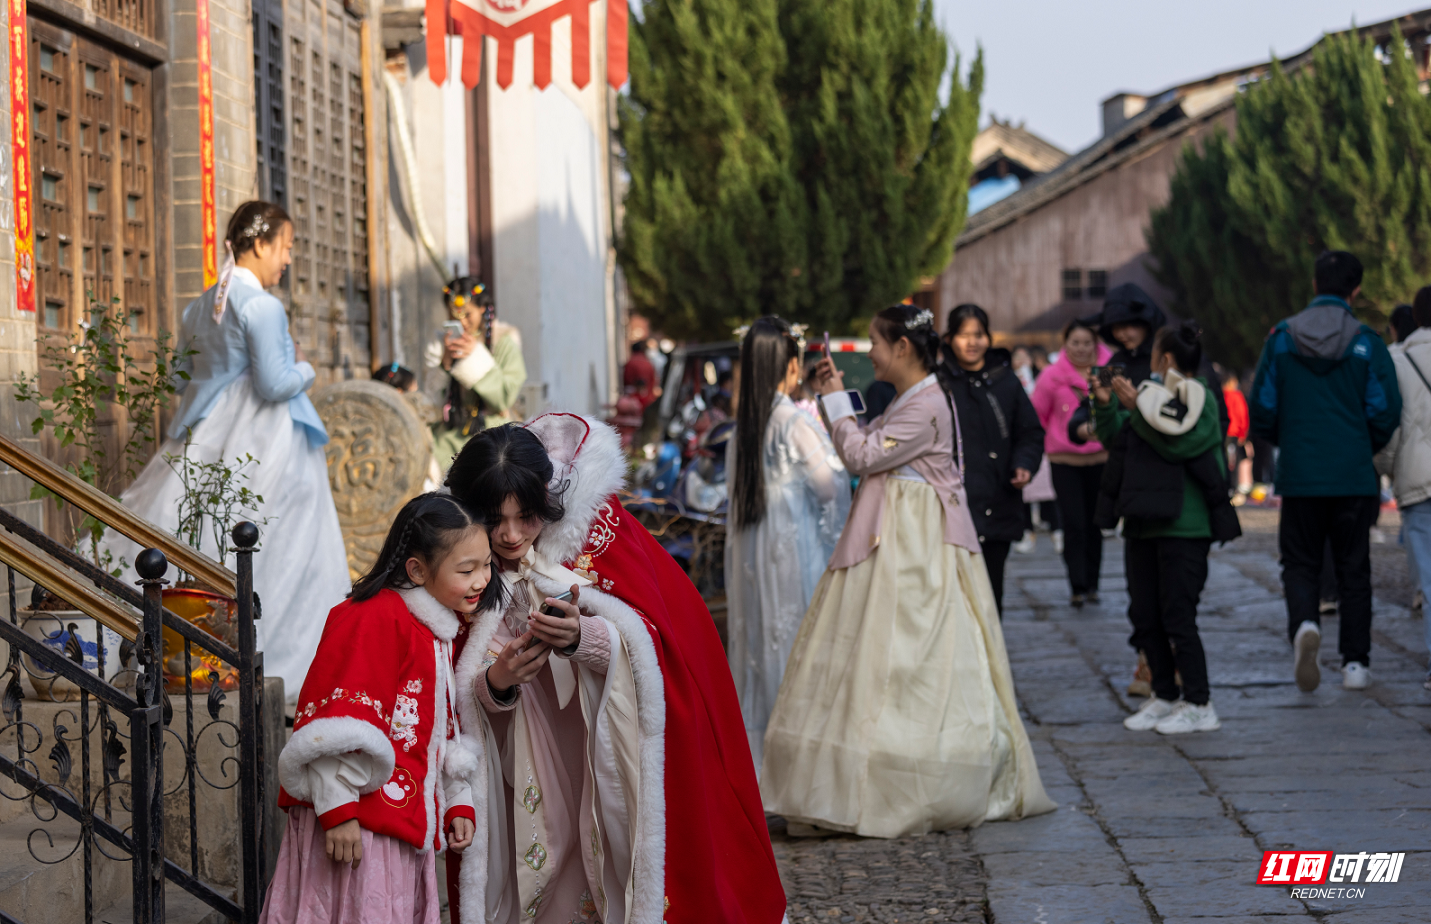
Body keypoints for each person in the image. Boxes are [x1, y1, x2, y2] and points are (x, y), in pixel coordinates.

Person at [443, 419, 786, 924]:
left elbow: (659, 641)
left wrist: (585, 638)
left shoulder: (602, 534)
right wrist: (497, 683)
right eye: (495, 520)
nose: (511, 535)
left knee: (609, 847)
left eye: (528, 516)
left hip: (599, 740)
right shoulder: (454, 559)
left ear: (552, 501)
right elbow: (449, 677)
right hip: (524, 754)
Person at [761, 305, 1055, 838]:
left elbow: (864, 454)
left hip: (913, 543)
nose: (869, 352)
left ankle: (894, 777)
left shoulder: (926, 403)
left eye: (875, 341)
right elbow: (873, 437)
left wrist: (832, 401)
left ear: (901, 347)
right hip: (900, 533)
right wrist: (838, 397)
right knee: (892, 656)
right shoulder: (916, 397)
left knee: (904, 653)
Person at [100, 200, 350, 700]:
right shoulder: (261, 305)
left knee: (195, 531)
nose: (287, 259)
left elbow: (177, 376)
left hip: (204, 432)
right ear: (259, 244)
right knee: (281, 543)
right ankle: (284, 661)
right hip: (265, 436)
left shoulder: (200, 305)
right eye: (285, 247)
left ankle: (186, 652)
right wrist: (308, 368)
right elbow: (276, 383)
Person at [261, 493, 500, 924]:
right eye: (466, 570)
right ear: (416, 569)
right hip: (358, 827)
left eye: (485, 564)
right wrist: (337, 813)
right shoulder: (372, 616)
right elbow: (334, 722)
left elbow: (436, 731)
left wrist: (457, 802)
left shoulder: (434, 629)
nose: (481, 579)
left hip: (398, 827)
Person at [1251, 250, 1401, 692]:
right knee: (1354, 568)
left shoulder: (1281, 338)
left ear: (1314, 285)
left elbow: (1262, 407)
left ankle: (1303, 625)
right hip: (1354, 474)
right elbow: (1386, 410)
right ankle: (1355, 664)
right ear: (1355, 290)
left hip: (1300, 473)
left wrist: (1291, 442)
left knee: (1299, 561)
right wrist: (1361, 446)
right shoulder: (1367, 342)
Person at [1093, 323, 1240, 735]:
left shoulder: (1201, 399)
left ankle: (1199, 701)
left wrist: (1139, 407)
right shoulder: (1148, 396)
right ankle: (1164, 695)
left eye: (1156, 351)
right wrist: (1106, 404)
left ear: (1168, 358)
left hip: (1184, 525)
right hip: (1142, 523)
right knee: (1145, 616)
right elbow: (1117, 439)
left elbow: (1179, 443)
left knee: (1178, 615)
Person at [725, 318, 851, 764]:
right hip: (792, 550)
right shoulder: (792, 421)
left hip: (753, 550)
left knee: (761, 649)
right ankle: (801, 770)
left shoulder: (743, 427)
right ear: (792, 366)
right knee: (798, 647)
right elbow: (831, 487)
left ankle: (762, 768)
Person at [941, 305, 1045, 615]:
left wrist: (1023, 463)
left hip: (997, 501)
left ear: (988, 338)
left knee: (989, 596)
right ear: (949, 338)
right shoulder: (938, 382)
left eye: (978, 335)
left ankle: (990, 662)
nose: (971, 342)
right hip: (949, 505)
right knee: (951, 599)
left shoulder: (1005, 381)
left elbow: (1030, 432)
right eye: (963, 335)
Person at [1031, 319, 1113, 607]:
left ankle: (1093, 583)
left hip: (1101, 458)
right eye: (1075, 343)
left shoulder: (1108, 372)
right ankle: (1076, 585)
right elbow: (1036, 416)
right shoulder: (1051, 376)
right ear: (1065, 344)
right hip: (1064, 461)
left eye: (1087, 343)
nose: (1081, 348)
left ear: (1096, 343)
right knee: (1074, 523)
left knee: (1095, 523)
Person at [1375, 286, 1431, 692]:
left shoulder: (1395, 361)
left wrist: (1386, 468)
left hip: (1417, 479)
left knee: (1429, 580)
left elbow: (1388, 427)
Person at [426, 276, 527, 470]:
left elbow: (504, 398)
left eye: (467, 314)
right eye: (455, 316)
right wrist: (446, 362)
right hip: (448, 436)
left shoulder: (504, 341)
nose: (461, 322)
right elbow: (432, 399)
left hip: (493, 436)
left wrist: (474, 358)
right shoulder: (441, 344)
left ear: (483, 308)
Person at [1083, 283, 1167, 385]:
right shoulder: (1117, 360)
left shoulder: (1165, 359)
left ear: (1145, 323)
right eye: (1115, 328)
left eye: (1124, 327)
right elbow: (1097, 396)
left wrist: (1136, 401)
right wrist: (1099, 397)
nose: (1120, 334)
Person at [1223, 371, 1253, 498]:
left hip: (1224, 431)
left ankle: (1228, 486)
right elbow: (1242, 415)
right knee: (1235, 461)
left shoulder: (1222, 395)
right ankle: (1233, 487)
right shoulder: (1236, 395)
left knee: (1225, 459)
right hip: (1234, 432)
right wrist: (1243, 433)